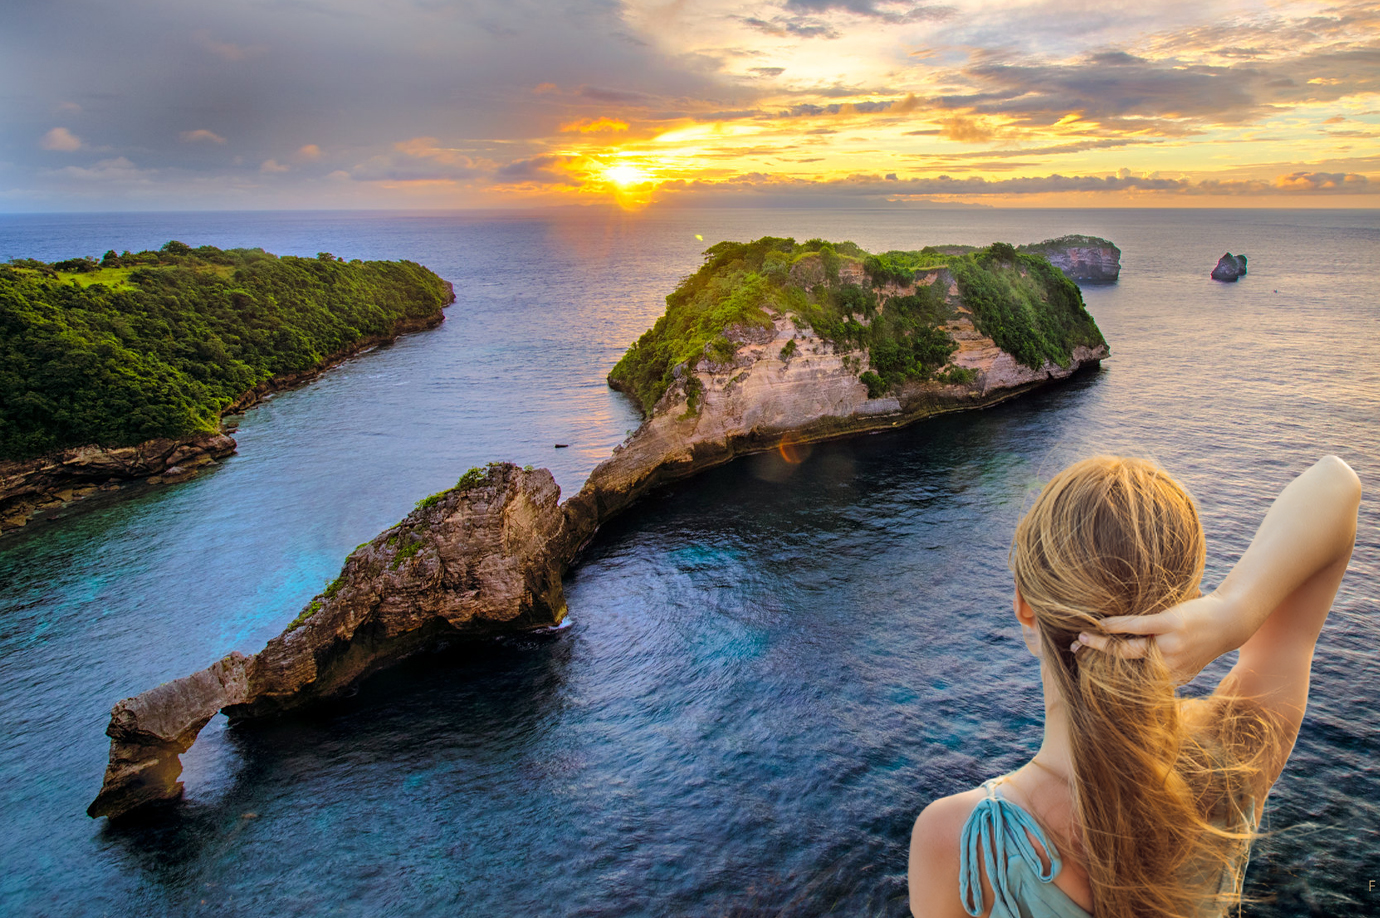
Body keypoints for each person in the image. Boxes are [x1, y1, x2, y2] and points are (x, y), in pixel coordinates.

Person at [908, 455, 1361, 918]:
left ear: (1025, 607)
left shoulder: (959, 838)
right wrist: (1233, 612)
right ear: (1187, 608)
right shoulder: (1234, 759)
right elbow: (1337, 485)